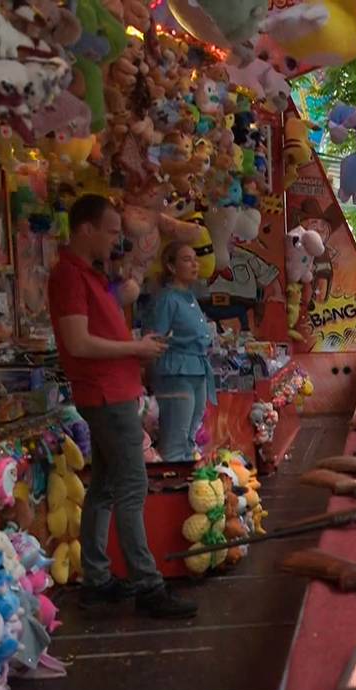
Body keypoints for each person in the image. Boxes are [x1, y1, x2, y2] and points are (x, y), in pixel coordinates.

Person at [48, 194, 196, 619]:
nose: (117, 238)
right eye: (111, 230)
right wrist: (134, 347)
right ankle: (148, 586)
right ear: (86, 229)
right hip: (105, 394)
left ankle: (97, 578)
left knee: (106, 487)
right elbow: (78, 342)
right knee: (132, 489)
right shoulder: (69, 277)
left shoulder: (90, 275)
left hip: (113, 390)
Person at [144, 241, 215, 463]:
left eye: (195, 259)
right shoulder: (167, 299)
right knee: (176, 438)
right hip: (176, 372)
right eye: (186, 260)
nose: (194, 264)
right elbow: (155, 338)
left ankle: (191, 485)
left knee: (190, 437)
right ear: (171, 267)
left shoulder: (189, 296)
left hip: (198, 371)